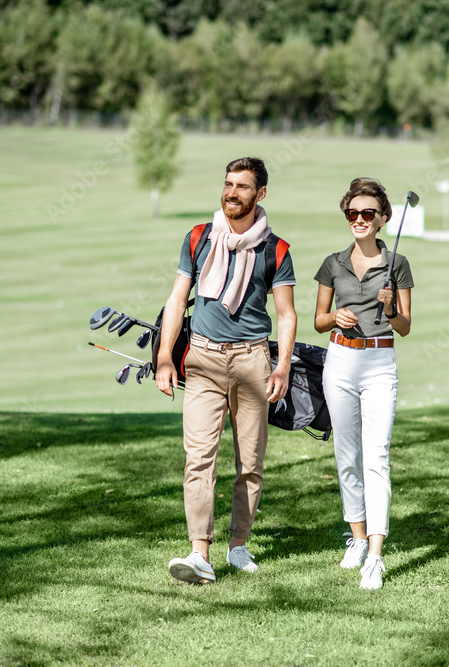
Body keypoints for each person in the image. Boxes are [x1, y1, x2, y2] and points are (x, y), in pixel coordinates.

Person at [155, 157, 297, 584]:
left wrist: (283, 365)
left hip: (254, 362)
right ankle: (200, 551)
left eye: (242, 186)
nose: (231, 193)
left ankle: (239, 545)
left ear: (261, 194)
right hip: (201, 360)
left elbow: (286, 314)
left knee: (250, 461)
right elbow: (178, 301)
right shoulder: (199, 237)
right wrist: (164, 357)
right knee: (198, 458)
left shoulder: (277, 249)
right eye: (228, 184)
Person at [313, 177, 413, 590]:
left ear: (382, 218)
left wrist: (390, 308)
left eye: (367, 213)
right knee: (347, 453)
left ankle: (375, 555)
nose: (359, 219)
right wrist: (334, 317)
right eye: (352, 213)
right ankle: (355, 537)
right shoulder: (333, 263)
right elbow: (318, 319)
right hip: (339, 359)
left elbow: (405, 327)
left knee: (377, 456)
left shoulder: (398, 264)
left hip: (378, 361)